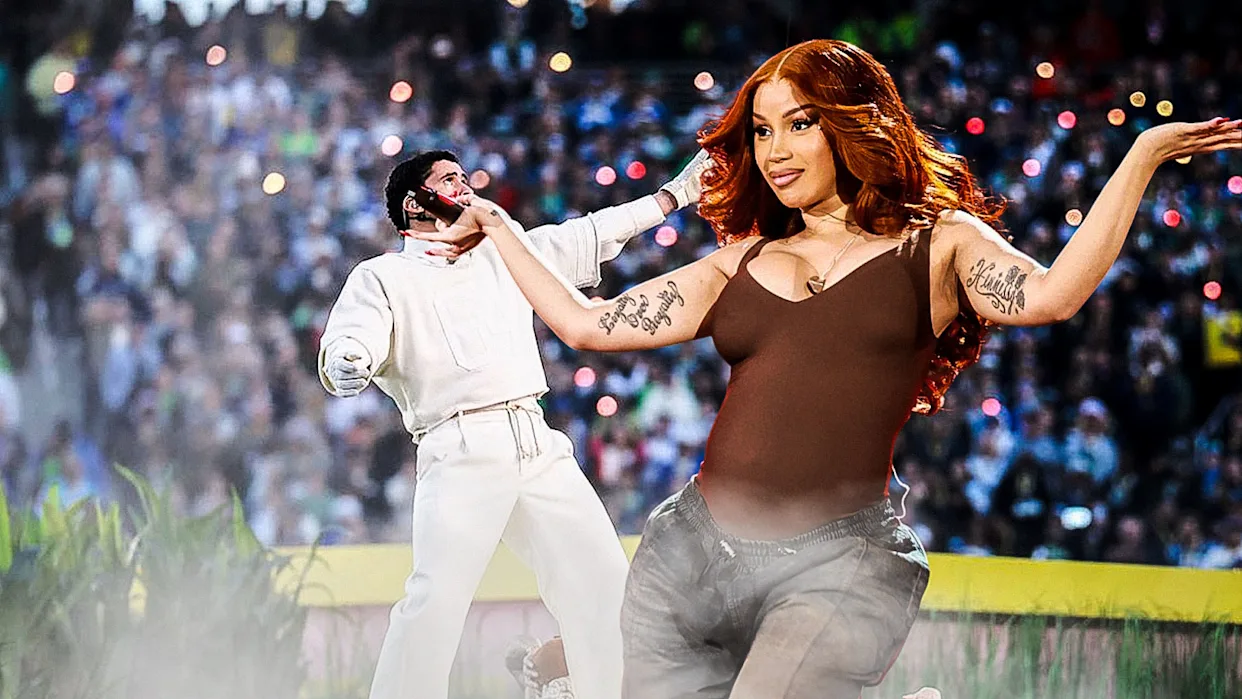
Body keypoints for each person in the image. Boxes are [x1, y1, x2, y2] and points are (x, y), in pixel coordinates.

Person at [410, 38, 1241, 698]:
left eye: (799, 122)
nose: (775, 149)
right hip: (690, 553)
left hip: (841, 562)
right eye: (761, 130)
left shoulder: (941, 245)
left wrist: (1141, 156)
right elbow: (586, 324)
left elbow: (1054, 295)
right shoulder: (738, 263)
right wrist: (498, 226)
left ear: (852, 124)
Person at [319, 148, 712, 699]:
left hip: (535, 436)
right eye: (450, 180)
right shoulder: (383, 275)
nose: (466, 189)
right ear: (414, 203)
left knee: (605, 586)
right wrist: (346, 358)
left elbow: (591, 233)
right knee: (436, 601)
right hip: (460, 444)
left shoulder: (504, 250)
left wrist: (673, 196)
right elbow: (350, 338)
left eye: (466, 179)